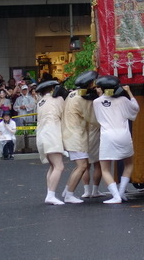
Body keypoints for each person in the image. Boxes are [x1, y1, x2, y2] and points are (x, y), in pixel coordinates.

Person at [93, 75, 140, 204]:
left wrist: (100, 95)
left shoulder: (96, 102)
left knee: (105, 168)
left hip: (108, 136)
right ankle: (121, 192)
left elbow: (99, 116)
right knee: (129, 164)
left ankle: (116, 196)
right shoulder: (123, 100)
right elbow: (135, 109)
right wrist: (129, 92)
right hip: (123, 134)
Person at [61, 71, 98, 204]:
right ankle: (69, 194)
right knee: (82, 166)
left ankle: (67, 190)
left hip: (69, 133)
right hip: (76, 135)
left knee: (80, 166)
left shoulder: (72, 94)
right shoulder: (81, 99)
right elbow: (92, 118)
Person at [36, 80, 68, 205]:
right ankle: (50, 195)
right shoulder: (58, 100)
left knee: (53, 166)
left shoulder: (40, 102)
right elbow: (64, 112)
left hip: (42, 134)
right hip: (52, 134)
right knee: (59, 166)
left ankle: (50, 193)